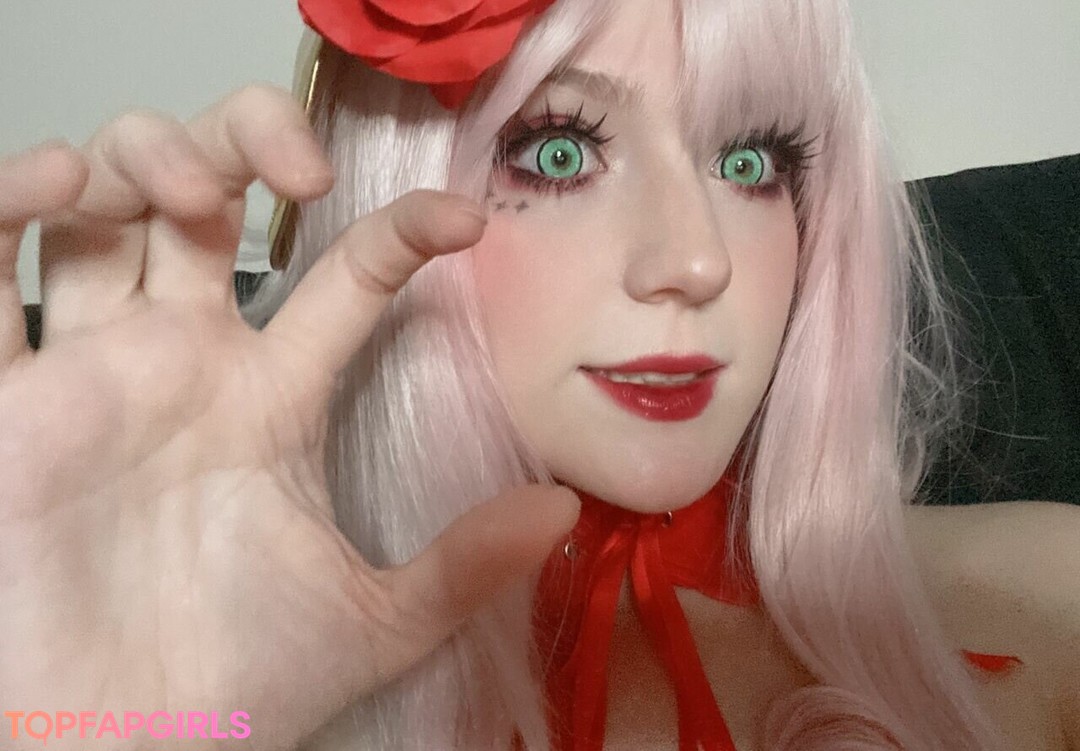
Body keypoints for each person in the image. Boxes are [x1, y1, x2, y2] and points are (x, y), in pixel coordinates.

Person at [0, 1, 1077, 750]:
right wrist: (96, 723)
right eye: (559, 151)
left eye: (751, 161)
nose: (696, 261)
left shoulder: (1050, 595)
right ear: (388, 185)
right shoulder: (235, 670)